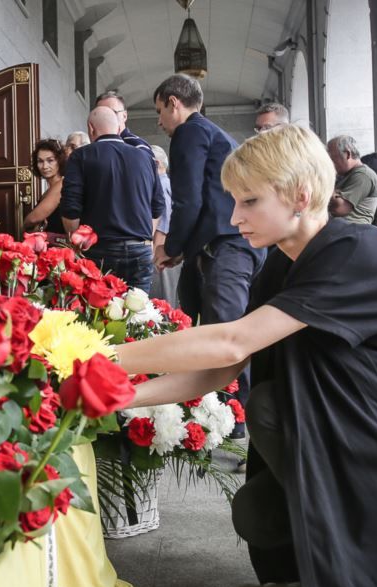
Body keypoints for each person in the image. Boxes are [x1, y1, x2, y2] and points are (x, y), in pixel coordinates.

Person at [115, 124, 377, 587]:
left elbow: (230, 341)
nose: (234, 217)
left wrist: (97, 357)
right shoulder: (283, 263)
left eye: (249, 200)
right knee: (258, 517)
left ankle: (370, 578)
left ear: (300, 196)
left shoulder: (355, 250)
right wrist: (120, 396)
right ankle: (346, 547)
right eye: (233, 201)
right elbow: (223, 367)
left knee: (271, 409)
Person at [153, 73, 265, 437]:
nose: (159, 123)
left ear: (174, 103)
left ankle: (238, 419)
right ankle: (210, 409)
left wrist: (170, 248)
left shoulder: (190, 131)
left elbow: (189, 200)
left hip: (227, 247)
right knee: (196, 324)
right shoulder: (213, 134)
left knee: (225, 334)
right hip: (220, 245)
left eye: (159, 112)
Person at [61, 107, 164, 293]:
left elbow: (70, 207)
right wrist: (143, 238)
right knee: (138, 315)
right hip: (139, 250)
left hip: (98, 250)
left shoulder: (81, 156)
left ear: (91, 129)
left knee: (98, 316)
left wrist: (76, 244)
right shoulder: (145, 157)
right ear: (118, 129)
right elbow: (158, 206)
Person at [149, 144, 179, 305]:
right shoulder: (168, 184)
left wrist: (155, 253)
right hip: (167, 252)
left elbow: (164, 222)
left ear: (155, 164)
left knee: (163, 305)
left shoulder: (160, 186)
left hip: (161, 252)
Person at [326, 135, 377, 224]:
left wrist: (323, 182)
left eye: (332, 158)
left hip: (351, 233)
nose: (329, 163)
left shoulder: (363, 175)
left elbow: (340, 209)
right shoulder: (346, 176)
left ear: (347, 154)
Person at [23, 138, 67, 240]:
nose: (44, 166)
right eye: (40, 161)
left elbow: (33, 219)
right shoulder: (48, 190)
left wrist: (23, 225)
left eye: (50, 160)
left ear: (59, 161)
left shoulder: (62, 184)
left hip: (61, 249)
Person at [95, 91, 154, 157]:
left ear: (124, 116)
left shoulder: (138, 147)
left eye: (113, 112)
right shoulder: (92, 148)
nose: (107, 118)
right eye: (102, 114)